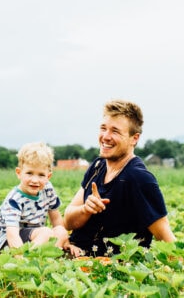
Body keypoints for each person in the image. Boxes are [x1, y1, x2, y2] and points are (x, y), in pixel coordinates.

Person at [63, 99, 176, 257]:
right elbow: (68, 221)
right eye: (103, 128)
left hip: (110, 269)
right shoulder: (97, 166)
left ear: (134, 138)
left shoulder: (139, 178)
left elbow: (165, 237)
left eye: (115, 131)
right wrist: (85, 210)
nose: (106, 137)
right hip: (74, 256)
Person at [0, 142, 82, 256]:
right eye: (29, 173)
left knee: (61, 231)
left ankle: (41, 256)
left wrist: (66, 242)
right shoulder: (14, 200)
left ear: (48, 176)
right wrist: (19, 257)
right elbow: (12, 233)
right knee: (46, 233)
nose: (35, 180)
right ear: (19, 173)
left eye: (41, 175)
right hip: (8, 242)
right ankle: (27, 260)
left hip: (34, 237)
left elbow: (56, 218)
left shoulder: (47, 189)